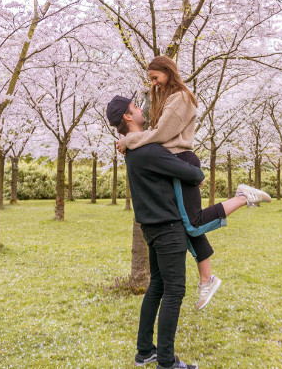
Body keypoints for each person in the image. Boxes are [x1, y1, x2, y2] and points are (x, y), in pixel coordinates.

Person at [117, 55, 271, 310]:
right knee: (185, 224)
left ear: (167, 71)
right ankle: (206, 278)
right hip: (173, 163)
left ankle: (243, 197)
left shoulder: (181, 98)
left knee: (193, 221)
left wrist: (128, 141)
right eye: (151, 80)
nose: (153, 83)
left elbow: (162, 134)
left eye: (155, 77)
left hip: (180, 161)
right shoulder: (167, 97)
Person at [106, 93, 201, 369]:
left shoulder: (135, 149)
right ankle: (167, 363)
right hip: (167, 227)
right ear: (127, 116)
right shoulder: (149, 151)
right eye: (135, 107)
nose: (140, 109)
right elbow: (193, 175)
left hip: (150, 226)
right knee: (175, 290)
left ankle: (145, 351)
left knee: (158, 285)